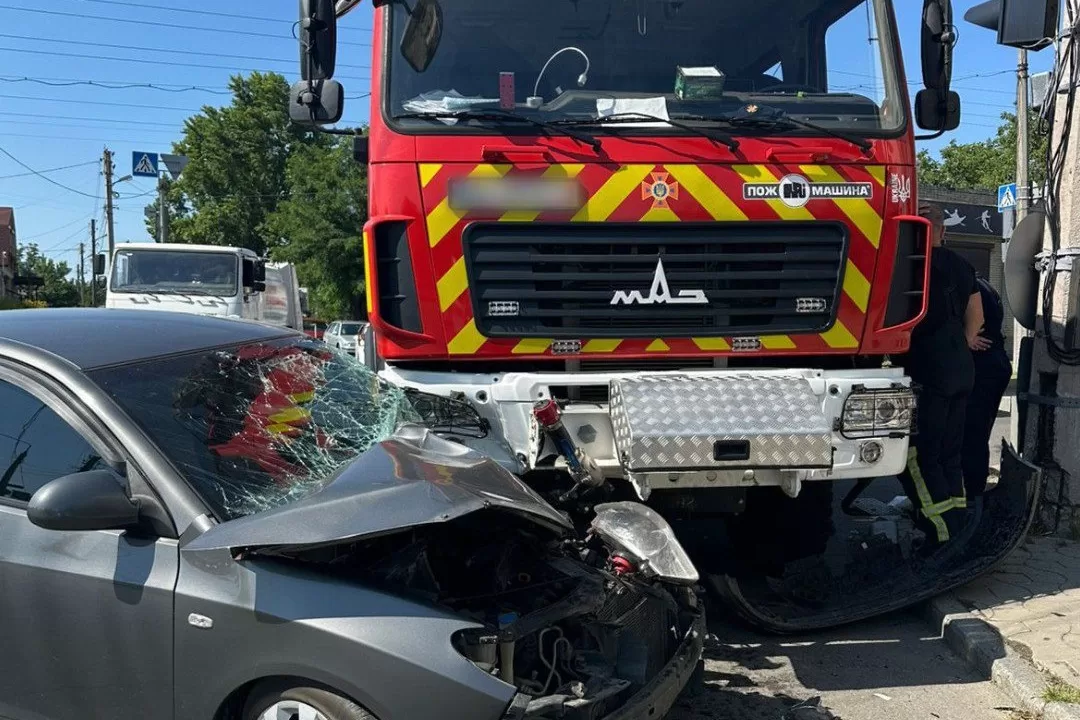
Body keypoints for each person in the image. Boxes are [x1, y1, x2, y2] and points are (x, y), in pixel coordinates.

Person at [899, 203, 984, 551]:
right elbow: (976, 317)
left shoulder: (909, 264)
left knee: (919, 455)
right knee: (951, 452)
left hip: (928, 367)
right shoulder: (963, 265)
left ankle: (939, 534)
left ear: (917, 230)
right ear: (944, 231)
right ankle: (958, 524)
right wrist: (959, 345)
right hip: (961, 367)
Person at [962, 275, 1013, 499]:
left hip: (982, 366)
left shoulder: (969, 286)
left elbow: (976, 320)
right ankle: (974, 488)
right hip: (994, 363)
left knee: (972, 433)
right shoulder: (982, 284)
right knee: (978, 432)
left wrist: (966, 339)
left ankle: (973, 494)